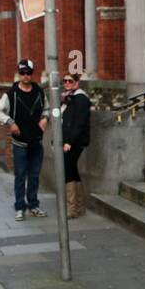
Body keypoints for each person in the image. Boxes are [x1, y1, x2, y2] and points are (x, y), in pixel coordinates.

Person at [0, 59, 49, 221]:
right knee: (20, 176)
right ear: (18, 74)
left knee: (35, 175)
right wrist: (10, 122)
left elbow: (48, 109)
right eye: (22, 73)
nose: (25, 76)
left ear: (32, 74)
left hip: (36, 141)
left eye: (28, 73)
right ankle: (19, 207)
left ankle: (33, 205)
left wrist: (45, 118)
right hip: (20, 143)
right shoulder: (11, 93)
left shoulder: (39, 91)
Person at [60, 72, 91, 218]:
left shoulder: (80, 99)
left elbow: (78, 123)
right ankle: (79, 208)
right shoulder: (68, 98)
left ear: (77, 83)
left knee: (68, 170)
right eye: (64, 81)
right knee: (72, 169)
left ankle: (72, 209)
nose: (66, 83)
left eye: (70, 81)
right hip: (68, 141)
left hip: (75, 142)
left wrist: (68, 142)